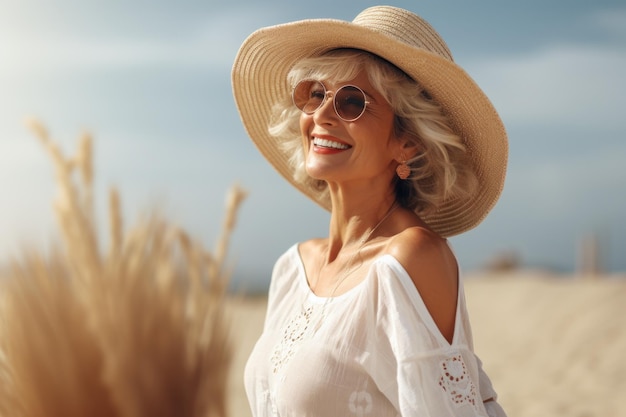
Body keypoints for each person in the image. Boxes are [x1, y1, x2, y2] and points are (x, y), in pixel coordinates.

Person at [232, 5, 508, 417]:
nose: (322, 114)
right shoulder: (292, 268)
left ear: (408, 143)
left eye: (351, 102)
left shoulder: (411, 258)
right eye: (316, 94)